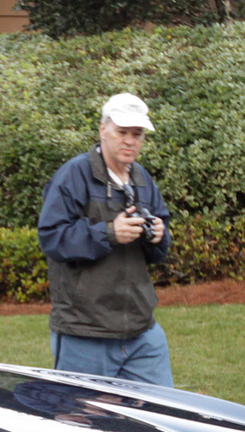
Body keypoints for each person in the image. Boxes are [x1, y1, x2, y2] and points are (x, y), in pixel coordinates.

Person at [37, 92, 174, 387]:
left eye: (137, 134)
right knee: (82, 427)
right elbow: (51, 237)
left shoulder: (142, 179)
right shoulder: (73, 175)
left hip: (142, 332)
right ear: (103, 130)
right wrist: (110, 233)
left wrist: (159, 236)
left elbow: (160, 245)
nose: (129, 141)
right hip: (84, 333)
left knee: (160, 422)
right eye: (122, 132)